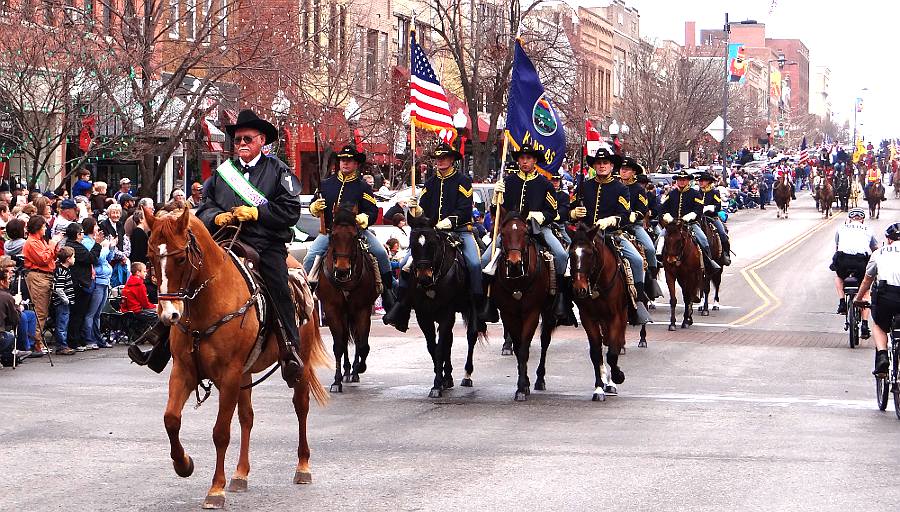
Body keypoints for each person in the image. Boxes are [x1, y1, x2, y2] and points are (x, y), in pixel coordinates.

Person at [132, 109, 305, 384]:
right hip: (223, 240)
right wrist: (217, 216)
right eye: (237, 140)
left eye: (247, 138)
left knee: (278, 284)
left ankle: (290, 349)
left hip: (264, 243)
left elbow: (291, 210)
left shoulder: (278, 171)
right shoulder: (223, 173)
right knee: (186, 277)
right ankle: (161, 344)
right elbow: (205, 207)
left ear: (262, 140)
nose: (241, 144)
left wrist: (259, 213)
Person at [384, 143, 484, 331]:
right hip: (432, 233)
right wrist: (416, 210)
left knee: (474, 263)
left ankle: (478, 305)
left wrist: (448, 221)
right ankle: (401, 306)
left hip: (459, 230)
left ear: (452, 159)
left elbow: (464, 210)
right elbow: (424, 212)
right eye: (437, 158)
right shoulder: (430, 183)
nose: (440, 161)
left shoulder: (463, 181)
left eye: (444, 157)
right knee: (406, 264)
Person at [481, 143, 569, 321]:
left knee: (560, 255)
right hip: (512, 231)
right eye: (522, 158)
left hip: (538, 229)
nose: (525, 161)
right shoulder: (508, 182)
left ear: (535, 160)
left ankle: (561, 299)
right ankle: (487, 301)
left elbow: (552, 212)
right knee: (484, 259)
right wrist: (496, 198)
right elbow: (498, 211)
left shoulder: (545, 184)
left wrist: (538, 216)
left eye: (528, 158)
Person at [304, 144, 395, 308]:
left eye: (349, 160)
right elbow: (313, 205)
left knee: (381, 254)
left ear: (355, 164)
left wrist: (364, 218)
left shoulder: (363, 187)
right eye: (342, 160)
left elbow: (372, 210)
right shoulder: (326, 184)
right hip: (330, 233)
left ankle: (389, 295)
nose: (345, 163)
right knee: (310, 258)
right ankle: (305, 297)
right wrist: (314, 207)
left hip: (356, 233)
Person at [571, 147, 651, 324]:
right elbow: (568, 210)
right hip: (587, 236)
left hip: (612, 234)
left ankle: (637, 301)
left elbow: (624, 214)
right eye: (598, 163)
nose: (601, 166)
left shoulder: (621, 188)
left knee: (637, 261)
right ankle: (563, 301)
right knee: (566, 260)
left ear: (611, 165)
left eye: (605, 162)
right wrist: (574, 213)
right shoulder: (585, 185)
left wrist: (611, 220)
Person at [854, 223, 900, 375]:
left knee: (879, 325)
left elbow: (867, 280)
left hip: (886, 296)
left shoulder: (879, 253)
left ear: (888, 239)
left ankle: (882, 356)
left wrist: (858, 298)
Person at [659, 169, 721, 271]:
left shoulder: (695, 193)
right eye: (679, 180)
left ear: (688, 181)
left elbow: (698, 209)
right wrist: (667, 216)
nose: (681, 182)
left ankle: (709, 263)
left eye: (684, 180)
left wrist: (691, 215)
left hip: (690, 224)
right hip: (673, 225)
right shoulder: (671, 194)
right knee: (660, 239)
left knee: (704, 240)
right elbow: (662, 208)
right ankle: (659, 261)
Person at [831, 208, 878, 334]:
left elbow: (837, 246)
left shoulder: (841, 228)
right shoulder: (868, 229)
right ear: (862, 220)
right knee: (866, 288)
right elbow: (875, 249)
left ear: (849, 219)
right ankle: (864, 324)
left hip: (843, 260)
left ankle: (842, 302)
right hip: (861, 261)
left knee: (839, 277)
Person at [23, 215, 64, 354]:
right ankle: (36, 344)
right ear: (38, 228)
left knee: (43, 311)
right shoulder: (32, 242)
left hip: (45, 276)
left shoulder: (40, 241)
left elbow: (50, 256)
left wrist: (55, 247)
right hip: (38, 276)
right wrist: (52, 244)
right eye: (43, 226)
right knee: (39, 312)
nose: (45, 229)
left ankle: (38, 342)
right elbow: (43, 259)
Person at [619, 157, 660, 283]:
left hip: (634, 226)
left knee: (650, 248)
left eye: (627, 169)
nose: (624, 171)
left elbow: (643, 209)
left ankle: (652, 279)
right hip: (616, 225)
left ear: (633, 172)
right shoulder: (615, 185)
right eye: (622, 169)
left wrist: (635, 215)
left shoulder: (639, 189)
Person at [80, 217, 115, 349]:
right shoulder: (87, 242)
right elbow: (98, 258)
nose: (98, 228)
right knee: (92, 312)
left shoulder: (95, 242)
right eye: (95, 226)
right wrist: (105, 246)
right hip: (98, 279)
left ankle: (97, 337)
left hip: (105, 279)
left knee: (98, 312)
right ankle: (89, 339)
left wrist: (110, 248)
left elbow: (108, 258)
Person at [65, 222, 99, 351]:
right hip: (78, 284)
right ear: (78, 234)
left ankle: (78, 339)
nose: (83, 235)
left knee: (80, 313)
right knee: (77, 313)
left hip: (82, 282)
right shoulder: (74, 246)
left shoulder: (77, 245)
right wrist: (97, 244)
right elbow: (91, 258)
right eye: (81, 233)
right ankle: (74, 341)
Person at [696, 172, 732, 265]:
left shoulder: (714, 192)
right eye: (699, 181)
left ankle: (725, 254)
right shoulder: (697, 192)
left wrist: (709, 208)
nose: (700, 182)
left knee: (722, 233)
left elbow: (718, 205)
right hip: (698, 218)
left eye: (702, 181)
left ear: (708, 182)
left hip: (712, 217)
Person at [0, 255, 28, 365]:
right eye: (9, 274)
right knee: (10, 336)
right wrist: (16, 304)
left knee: (29, 315)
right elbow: (15, 319)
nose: (11, 277)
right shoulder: (5, 296)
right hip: (3, 331)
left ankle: (25, 346)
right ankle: (11, 352)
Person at [51, 246, 76, 355]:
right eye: (73, 257)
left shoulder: (64, 270)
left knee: (63, 322)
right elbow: (59, 288)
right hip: (62, 303)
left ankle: (63, 344)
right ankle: (62, 346)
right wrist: (66, 300)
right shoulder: (62, 271)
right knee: (62, 324)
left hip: (64, 302)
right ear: (68, 259)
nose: (74, 259)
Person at [121, 261, 158, 326]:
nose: (146, 273)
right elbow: (145, 305)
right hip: (137, 312)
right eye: (144, 271)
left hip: (127, 312)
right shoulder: (139, 285)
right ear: (138, 273)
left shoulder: (129, 282)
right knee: (160, 314)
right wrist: (156, 306)